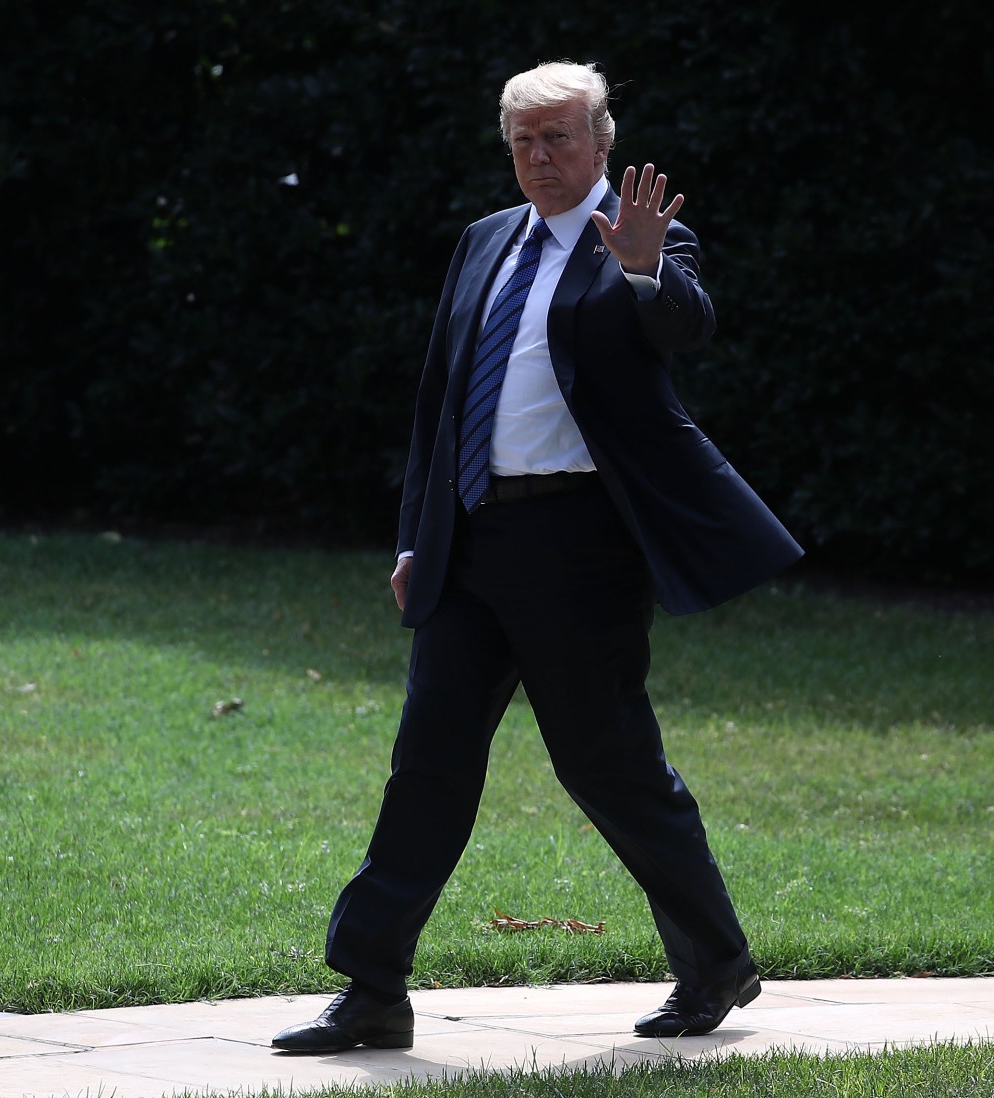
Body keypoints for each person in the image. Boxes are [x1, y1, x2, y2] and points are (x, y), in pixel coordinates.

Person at [271, 60, 802, 1055]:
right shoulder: (482, 242)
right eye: (521, 141)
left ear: (603, 141)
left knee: (608, 766)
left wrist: (643, 268)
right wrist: (417, 536)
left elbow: (685, 322)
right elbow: (440, 400)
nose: (539, 157)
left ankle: (716, 964)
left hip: (580, 548)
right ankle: (372, 988)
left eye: (558, 137)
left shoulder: (641, 236)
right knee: (425, 762)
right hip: (469, 539)